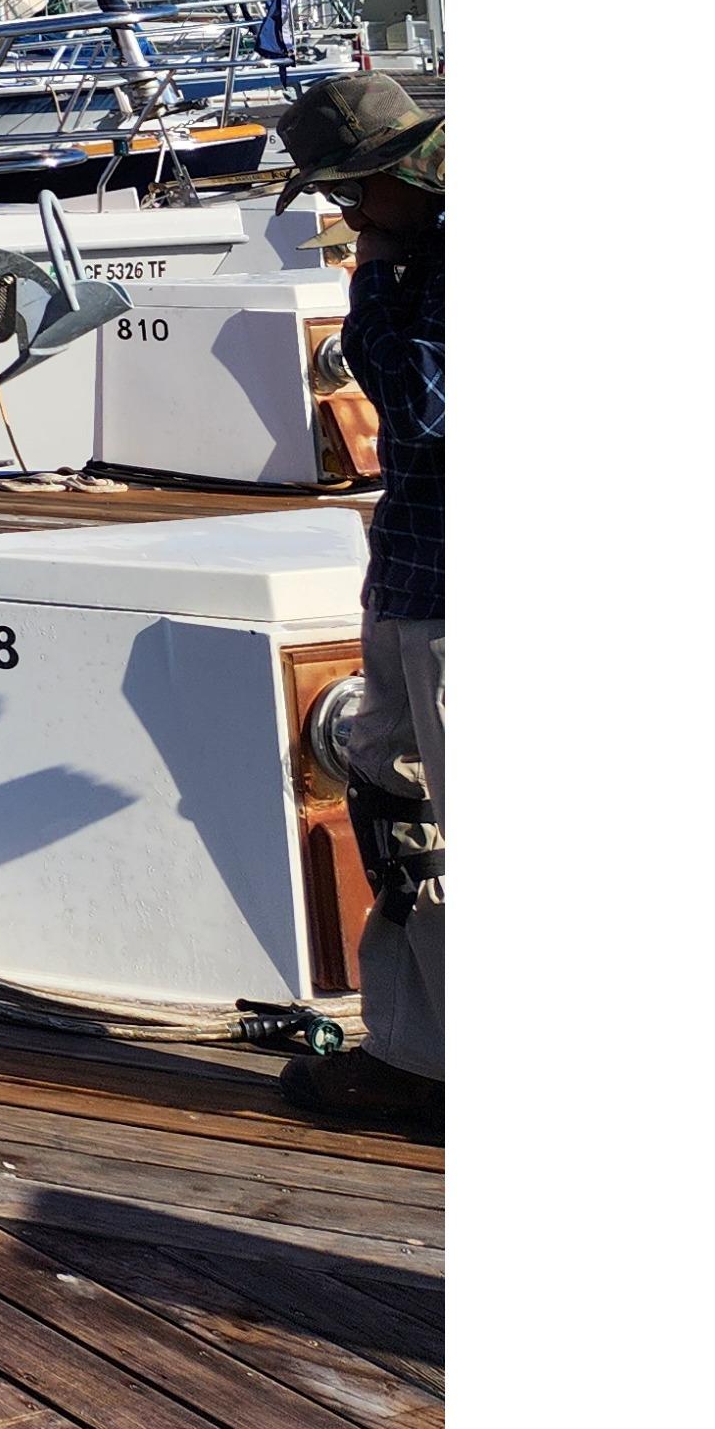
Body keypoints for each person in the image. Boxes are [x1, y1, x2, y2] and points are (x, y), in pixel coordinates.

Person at [274, 66, 443, 1138]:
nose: (344, 218)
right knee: (393, 803)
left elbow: (423, 413)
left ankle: (431, 1064)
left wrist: (375, 281)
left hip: (448, 587)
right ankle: (417, 1057)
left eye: (343, 196)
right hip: (418, 579)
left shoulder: (428, 267)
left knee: (426, 813)